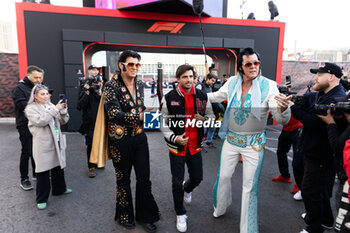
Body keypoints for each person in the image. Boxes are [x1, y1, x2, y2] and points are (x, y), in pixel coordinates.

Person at [208, 47, 291, 233]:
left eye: (256, 63)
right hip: (231, 141)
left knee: (249, 187)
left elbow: (280, 118)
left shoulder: (269, 85)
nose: (253, 67)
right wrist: (193, 94)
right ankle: (220, 207)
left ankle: (247, 229)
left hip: (254, 145)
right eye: (248, 63)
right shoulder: (232, 83)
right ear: (240, 67)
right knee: (223, 177)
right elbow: (215, 97)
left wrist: (283, 108)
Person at [103, 50, 159, 232]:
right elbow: (113, 113)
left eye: (137, 64)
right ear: (121, 65)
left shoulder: (140, 84)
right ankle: (125, 215)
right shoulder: (110, 86)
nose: (135, 68)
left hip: (140, 137)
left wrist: (147, 110)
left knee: (144, 178)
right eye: (131, 64)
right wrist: (139, 114)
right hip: (120, 139)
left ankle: (146, 216)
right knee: (123, 179)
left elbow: (139, 107)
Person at [290, 62, 346, 233]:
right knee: (318, 190)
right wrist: (295, 100)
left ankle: (314, 228)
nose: (316, 77)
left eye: (320, 75)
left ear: (331, 77)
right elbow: (309, 105)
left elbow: (316, 122)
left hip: (322, 153)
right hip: (312, 148)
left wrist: (294, 109)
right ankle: (326, 219)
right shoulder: (322, 93)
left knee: (310, 191)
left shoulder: (337, 98)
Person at [160, 64, 215, 232]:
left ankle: (187, 188)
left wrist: (205, 120)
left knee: (197, 178)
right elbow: (163, 122)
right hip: (176, 147)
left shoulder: (202, 96)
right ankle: (180, 213)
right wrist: (174, 138)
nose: (188, 80)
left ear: (194, 78)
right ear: (178, 79)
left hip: (195, 147)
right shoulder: (169, 97)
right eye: (184, 77)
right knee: (176, 182)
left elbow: (212, 116)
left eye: (191, 76)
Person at [24, 84, 71, 210]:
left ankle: (60, 189)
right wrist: (55, 109)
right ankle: (41, 198)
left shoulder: (51, 105)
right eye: (42, 94)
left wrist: (63, 110)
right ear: (35, 96)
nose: (46, 96)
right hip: (43, 144)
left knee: (58, 167)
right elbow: (41, 121)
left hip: (56, 140)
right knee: (43, 172)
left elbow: (63, 121)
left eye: (47, 94)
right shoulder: (30, 108)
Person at [12, 65, 44, 191]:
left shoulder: (40, 87)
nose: (38, 80)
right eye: (36, 77)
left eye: (40, 77)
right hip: (24, 124)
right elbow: (22, 106)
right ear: (28, 75)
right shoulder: (19, 88)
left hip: (38, 124)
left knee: (37, 150)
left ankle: (36, 173)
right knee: (27, 151)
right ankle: (24, 179)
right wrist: (37, 101)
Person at [77, 65, 103, 178]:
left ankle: (98, 161)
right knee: (91, 143)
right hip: (89, 121)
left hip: (100, 120)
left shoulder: (101, 85)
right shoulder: (84, 84)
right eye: (93, 69)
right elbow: (79, 105)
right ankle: (91, 167)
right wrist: (86, 93)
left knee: (100, 142)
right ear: (89, 71)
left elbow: (106, 103)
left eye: (96, 70)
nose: (95, 71)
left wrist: (100, 92)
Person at [197, 73, 217, 148]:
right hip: (201, 111)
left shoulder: (210, 88)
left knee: (212, 127)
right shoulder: (200, 86)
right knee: (203, 129)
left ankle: (209, 142)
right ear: (207, 79)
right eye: (212, 80)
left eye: (214, 81)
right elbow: (196, 97)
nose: (213, 82)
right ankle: (199, 143)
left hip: (209, 111)